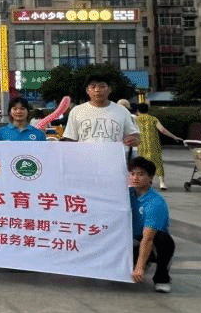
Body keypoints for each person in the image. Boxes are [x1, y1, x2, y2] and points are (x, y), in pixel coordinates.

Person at [128, 156, 175, 293]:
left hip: (150, 240)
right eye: (132, 174)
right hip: (130, 240)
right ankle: (144, 260)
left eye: (140, 174)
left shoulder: (155, 202)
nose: (135, 178)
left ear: (150, 178)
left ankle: (162, 277)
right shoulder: (126, 194)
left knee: (163, 240)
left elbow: (148, 238)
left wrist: (139, 267)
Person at [62, 74, 140, 148]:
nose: (97, 90)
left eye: (102, 86)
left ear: (109, 89)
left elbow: (133, 134)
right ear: (87, 90)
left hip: (114, 156)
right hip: (85, 156)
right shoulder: (77, 111)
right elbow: (70, 137)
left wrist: (133, 139)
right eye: (93, 87)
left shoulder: (122, 111)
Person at [134, 103, 183, 190]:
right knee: (158, 163)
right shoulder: (153, 119)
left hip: (141, 145)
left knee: (142, 164)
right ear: (147, 110)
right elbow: (162, 130)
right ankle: (162, 183)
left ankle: (145, 182)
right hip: (153, 144)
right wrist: (174, 137)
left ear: (138, 111)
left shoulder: (135, 120)